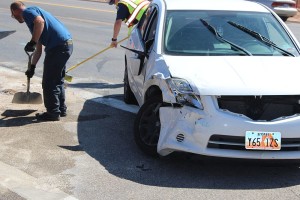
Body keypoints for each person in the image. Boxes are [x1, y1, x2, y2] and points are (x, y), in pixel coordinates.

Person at [10, 1, 73, 121]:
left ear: (15, 11)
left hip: (58, 47)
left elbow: (40, 22)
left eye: (13, 15)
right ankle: (60, 109)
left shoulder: (27, 12)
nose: (15, 18)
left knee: (49, 82)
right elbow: (39, 49)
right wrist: (32, 67)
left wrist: (32, 42)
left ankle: (53, 113)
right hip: (66, 45)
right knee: (57, 79)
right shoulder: (34, 17)